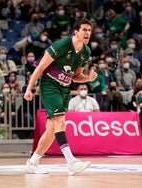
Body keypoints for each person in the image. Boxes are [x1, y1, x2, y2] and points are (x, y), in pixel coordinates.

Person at [23, 19, 97, 175]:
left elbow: (76, 76)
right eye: (84, 29)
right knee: (60, 121)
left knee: (51, 129)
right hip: (50, 85)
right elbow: (41, 67)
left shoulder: (86, 52)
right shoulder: (61, 45)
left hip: (65, 88)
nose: (87, 33)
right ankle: (71, 163)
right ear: (76, 32)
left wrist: (88, 78)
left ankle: (33, 162)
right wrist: (29, 88)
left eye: (89, 30)